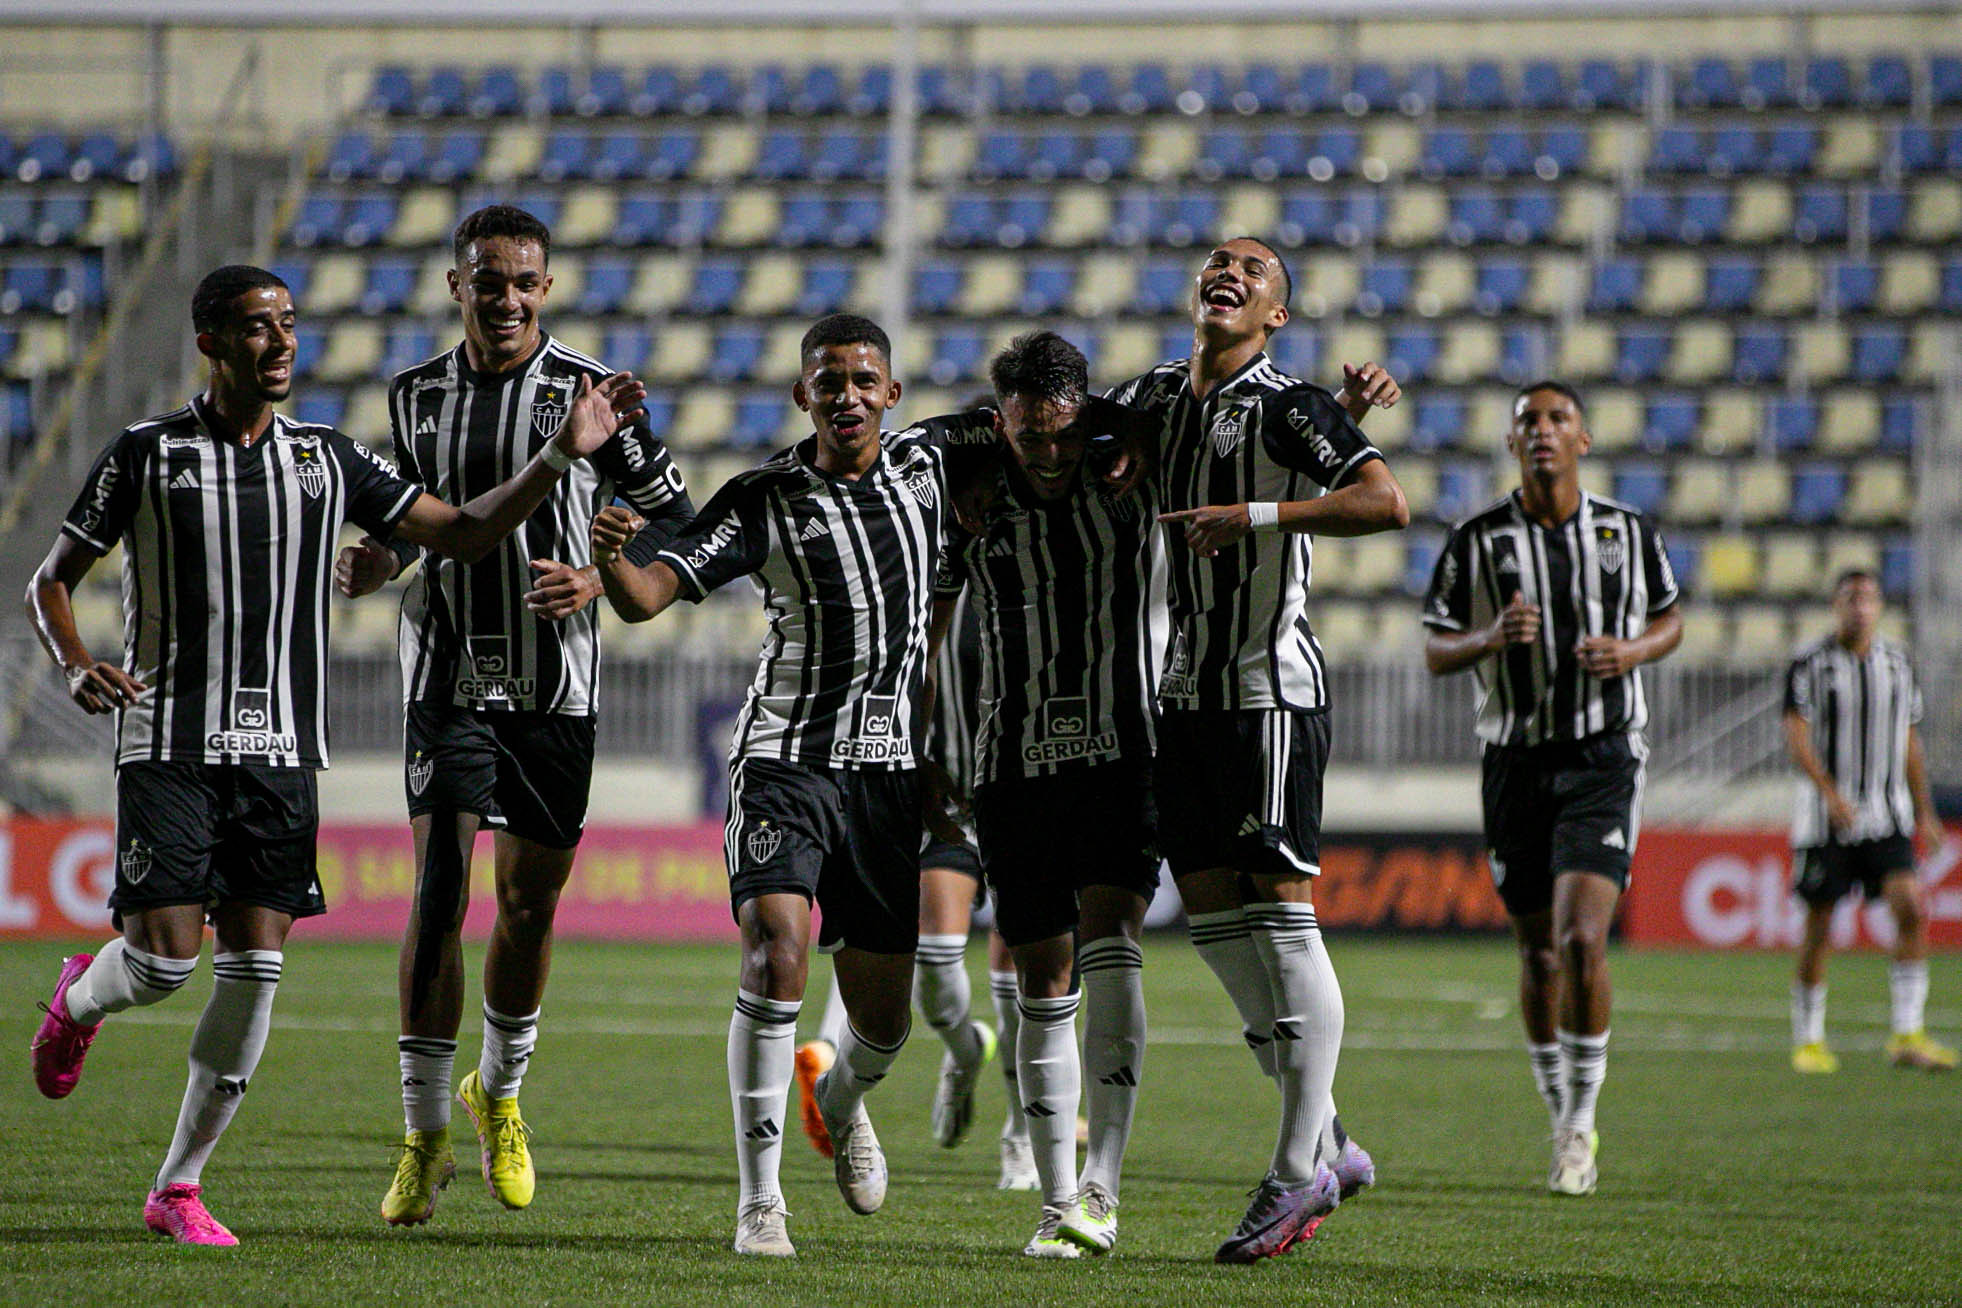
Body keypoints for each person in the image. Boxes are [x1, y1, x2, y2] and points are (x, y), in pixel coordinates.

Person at [24, 264, 646, 1245]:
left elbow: (469, 533)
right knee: (163, 967)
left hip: (280, 751)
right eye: (258, 329)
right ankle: (80, 998)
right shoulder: (146, 455)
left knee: (255, 971)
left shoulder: (327, 460)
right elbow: (50, 580)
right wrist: (71, 662)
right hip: (170, 741)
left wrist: (562, 456)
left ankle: (178, 1186)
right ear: (212, 342)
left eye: (290, 326)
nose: (281, 345)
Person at [588, 313, 990, 1258]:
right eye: (827, 381)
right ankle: (759, 1202)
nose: (845, 395)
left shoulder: (935, 464)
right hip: (785, 758)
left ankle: (841, 1100)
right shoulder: (765, 497)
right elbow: (647, 599)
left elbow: (1040, 422)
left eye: (863, 379)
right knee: (776, 954)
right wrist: (612, 557)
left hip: (889, 779)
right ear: (802, 394)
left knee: (885, 1024)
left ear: (892, 393)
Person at [335, 204, 694, 1227]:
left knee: (529, 904)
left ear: (547, 288)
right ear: (458, 287)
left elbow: (677, 517)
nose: (506, 298)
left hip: (556, 686)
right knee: (439, 889)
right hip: (447, 671)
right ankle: (422, 1140)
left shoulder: (594, 397)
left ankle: (496, 1095)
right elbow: (418, 526)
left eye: (523, 281)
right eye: (487, 280)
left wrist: (600, 566)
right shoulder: (416, 399)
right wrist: (379, 559)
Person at [1109, 237, 1405, 1262]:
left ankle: (1294, 1173)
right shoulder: (1156, 393)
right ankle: (1327, 1135)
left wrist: (1257, 513)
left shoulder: (1289, 403)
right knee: (1215, 920)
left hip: (1268, 692)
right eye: (1216, 262)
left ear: (1275, 314)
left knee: (1282, 917)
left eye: (1254, 270)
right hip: (1183, 695)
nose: (1228, 272)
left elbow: (1385, 501)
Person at [936, 331, 1167, 1258]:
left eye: (1067, 435)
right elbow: (914, 439)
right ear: (1003, 426)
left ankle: (1099, 1191)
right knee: (1040, 982)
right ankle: (1054, 1200)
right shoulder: (970, 491)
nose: (1051, 455)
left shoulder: (1127, 477)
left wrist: (1123, 434)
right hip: (1013, 767)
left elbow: (1164, 406)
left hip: (1122, 757)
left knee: (1110, 948)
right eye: (1030, 438)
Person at [1422, 380, 1683, 1197]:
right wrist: (1491, 638)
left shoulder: (1626, 533)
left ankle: (1580, 1122)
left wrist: (1633, 653)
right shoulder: (1477, 541)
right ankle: (1556, 1104)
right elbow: (1434, 648)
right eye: (1527, 421)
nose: (1542, 431)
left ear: (1584, 439)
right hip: (1514, 762)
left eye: (1557, 419)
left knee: (1580, 939)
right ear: (1511, 444)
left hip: (1604, 756)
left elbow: (1672, 618)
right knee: (1536, 953)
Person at [791, 589, 1019, 1182]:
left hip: (1024, 786)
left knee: (1031, 979)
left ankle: (1020, 1138)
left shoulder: (1033, 559)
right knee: (938, 975)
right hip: (948, 796)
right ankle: (967, 1053)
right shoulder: (924, 578)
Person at [1784, 569, 1956, 1074]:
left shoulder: (1899, 663)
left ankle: (1907, 1033)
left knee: (1911, 907)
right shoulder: (1810, 664)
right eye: (1850, 597)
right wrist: (1830, 793)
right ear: (1836, 605)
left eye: (1868, 598)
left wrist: (1923, 810)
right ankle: (1808, 1040)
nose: (1859, 606)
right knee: (1819, 924)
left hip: (1888, 814)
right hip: (1826, 819)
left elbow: (1909, 741)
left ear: (1880, 606)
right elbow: (1797, 736)